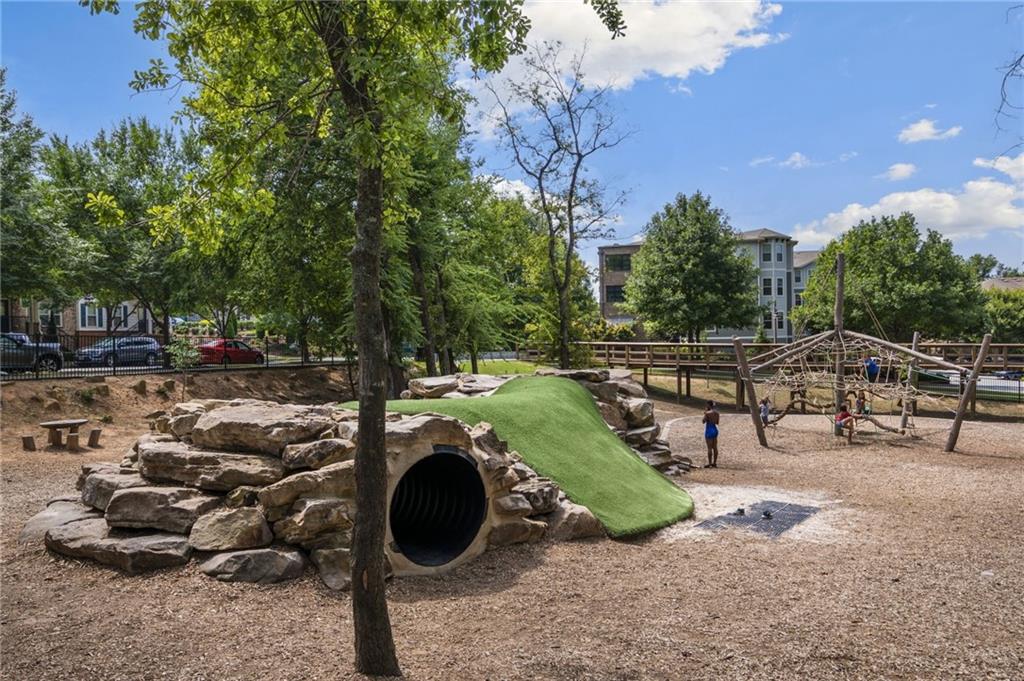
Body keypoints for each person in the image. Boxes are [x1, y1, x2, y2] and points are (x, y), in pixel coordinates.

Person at [702, 400, 721, 468]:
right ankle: (714, 463)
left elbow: (703, 421)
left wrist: (705, 413)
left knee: (709, 448)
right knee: (715, 447)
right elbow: (717, 422)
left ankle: (709, 463)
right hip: (715, 429)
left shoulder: (707, 413)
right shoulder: (717, 413)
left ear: (709, 405)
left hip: (709, 430)